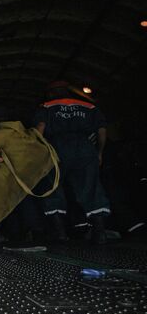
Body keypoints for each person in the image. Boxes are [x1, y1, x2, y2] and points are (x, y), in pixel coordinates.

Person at [35, 81, 110, 244]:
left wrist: (39, 153)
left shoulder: (46, 106)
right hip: (85, 148)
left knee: (53, 188)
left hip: (56, 148)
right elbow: (102, 131)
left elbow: (40, 129)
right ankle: (100, 233)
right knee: (91, 188)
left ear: (50, 93)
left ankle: (60, 234)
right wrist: (99, 153)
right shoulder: (88, 106)